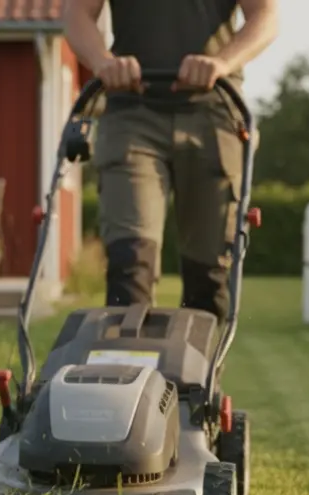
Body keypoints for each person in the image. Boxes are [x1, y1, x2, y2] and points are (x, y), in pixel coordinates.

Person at [64, 0, 279, 320]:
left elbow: (266, 15)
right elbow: (77, 13)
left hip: (213, 113)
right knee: (130, 265)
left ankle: (200, 354)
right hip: (132, 115)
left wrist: (221, 63)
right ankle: (129, 352)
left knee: (210, 275)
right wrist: (102, 61)